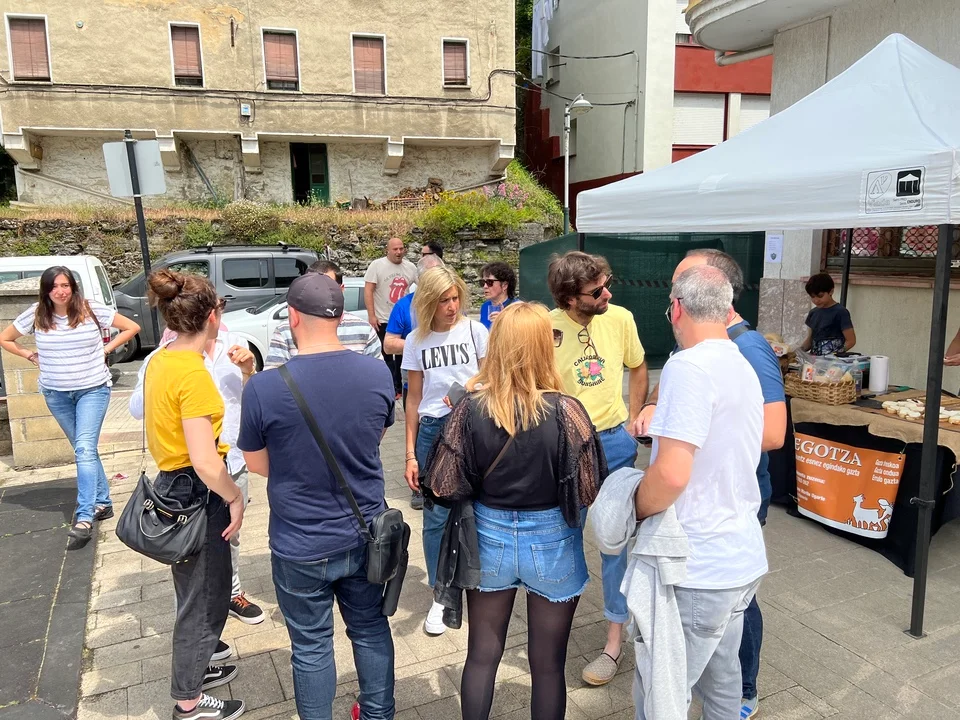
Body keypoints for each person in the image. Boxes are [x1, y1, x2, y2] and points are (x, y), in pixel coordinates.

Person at [422, 302, 606, 720]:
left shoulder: (470, 408)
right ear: (543, 347)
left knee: (481, 656)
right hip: (553, 540)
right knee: (548, 665)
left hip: (488, 537)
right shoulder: (568, 410)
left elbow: (442, 484)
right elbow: (590, 489)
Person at [238, 273, 396, 720]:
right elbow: (374, 438)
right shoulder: (376, 372)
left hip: (300, 541)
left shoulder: (264, 387)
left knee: (310, 646)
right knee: (370, 629)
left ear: (291, 317)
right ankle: (379, 714)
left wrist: (297, 465)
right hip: (366, 533)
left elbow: (257, 464)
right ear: (341, 317)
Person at [637, 248, 786, 719]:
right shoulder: (741, 359)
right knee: (723, 686)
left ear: (677, 308)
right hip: (738, 559)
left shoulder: (689, 366)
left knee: (664, 691)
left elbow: (671, 474)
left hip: (699, 565)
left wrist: (633, 507)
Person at [141, 269, 246, 720]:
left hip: (172, 483)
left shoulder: (160, 360)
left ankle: (197, 669)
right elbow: (205, 461)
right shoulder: (194, 374)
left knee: (194, 592)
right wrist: (234, 496)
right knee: (205, 600)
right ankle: (189, 700)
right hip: (197, 491)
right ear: (211, 317)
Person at [546, 251, 648, 685]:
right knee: (563, 536)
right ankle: (553, 631)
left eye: (607, 284)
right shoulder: (545, 328)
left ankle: (613, 641)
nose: (608, 293)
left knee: (614, 543)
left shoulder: (621, 318)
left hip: (615, 445)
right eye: (597, 290)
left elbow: (638, 367)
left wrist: (634, 421)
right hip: (565, 449)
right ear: (570, 298)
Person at [130, 320, 266, 627]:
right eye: (214, 307)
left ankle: (231, 595)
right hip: (189, 472)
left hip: (232, 459)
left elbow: (253, 403)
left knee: (230, 535)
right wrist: (164, 372)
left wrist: (249, 372)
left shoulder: (236, 343)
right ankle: (194, 618)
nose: (218, 314)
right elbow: (137, 409)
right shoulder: (163, 357)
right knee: (189, 546)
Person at [0, 266, 140, 545]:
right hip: (56, 394)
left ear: (73, 287)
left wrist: (105, 350)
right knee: (83, 448)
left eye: (65, 285)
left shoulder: (89, 309)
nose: (60, 291)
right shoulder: (37, 314)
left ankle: (85, 515)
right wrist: (29, 354)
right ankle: (103, 502)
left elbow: (131, 327)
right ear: (46, 290)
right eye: (54, 286)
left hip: (92, 390)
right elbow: (5, 338)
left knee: (84, 449)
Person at [402, 266, 488, 636]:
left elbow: (491, 377)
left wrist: (469, 388)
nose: (452, 306)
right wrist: (409, 453)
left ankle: (481, 581)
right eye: (443, 301)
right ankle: (440, 594)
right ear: (428, 302)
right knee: (435, 516)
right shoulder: (416, 340)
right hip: (433, 430)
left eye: (455, 298)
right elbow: (413, 399)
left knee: (480, 507)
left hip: (472, 426)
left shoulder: (475, 331)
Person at [383, 253, 445, 510]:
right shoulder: (404, 306)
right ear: (418, 280)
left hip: (446, 386)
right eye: (430, 278)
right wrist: (417, 344)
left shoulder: (450, 302)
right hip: (416, 385)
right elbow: (388, 344)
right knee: (416, 435)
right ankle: (418, 487)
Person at [266, 260, 381, 368]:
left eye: (327, 287)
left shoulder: (364, 330)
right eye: (313, 287)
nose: (319, 293)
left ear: (341, 289)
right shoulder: (285, 331)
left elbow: (377, 374)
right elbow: (273, 376)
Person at [364, 238, 418, 396]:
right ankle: (390, 387)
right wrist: (371, 315)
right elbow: (368, 290)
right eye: (395, 249)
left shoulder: (410, 267)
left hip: (403, 319)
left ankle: (401, 388)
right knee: (386, 355)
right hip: (383, 318)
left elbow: (424, 286)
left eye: (401, 248)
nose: (399, 252)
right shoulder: (377, 265)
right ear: (387, 250)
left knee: (404, 354)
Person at [800, 272, 856, 355]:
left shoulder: (841, 312)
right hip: (814, 360)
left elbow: (851, 341)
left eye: (820, 296)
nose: (816, 300)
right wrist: (796, 352)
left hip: (833, 361)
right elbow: (810, 340)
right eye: (812, 297)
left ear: (831, 291)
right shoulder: (813, 313)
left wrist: (835, 354)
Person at [478, 261, 518, 329]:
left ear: (504, 285)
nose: (485, 286)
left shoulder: (517, 308)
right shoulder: (485, 306)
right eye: (482, 282)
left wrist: (504, 322)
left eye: (489, 282)